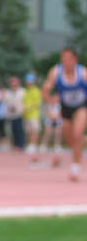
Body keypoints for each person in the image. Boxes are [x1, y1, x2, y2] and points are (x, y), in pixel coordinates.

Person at [42, 47, 87, 181]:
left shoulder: (83, 73)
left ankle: (75, 168)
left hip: (82, 106)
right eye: (63, 58)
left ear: (75, 60)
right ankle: (82, 143)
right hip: (66, 107)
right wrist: (51, 99)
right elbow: (45, 90)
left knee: (77, 134)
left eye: (68, 58)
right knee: (70, 140)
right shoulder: (56, 72)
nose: (65, 61)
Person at [23, 73, 42, 161]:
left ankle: (33, 145)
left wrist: (29, 108)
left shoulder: (36, 91)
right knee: (29, 131)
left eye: (30, 82)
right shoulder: (26, 91)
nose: (29, 83)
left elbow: (37, 103)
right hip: (26, 115)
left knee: (35, 130)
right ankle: (30, 144)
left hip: (34, 114)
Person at [39, 93, 63, 163]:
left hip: (58, 120)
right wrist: (51, 117)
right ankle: (43, 146)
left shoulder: (60, 105)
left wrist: (56, 117)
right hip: (50, 120)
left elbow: (61, 113)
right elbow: (47, 113)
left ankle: (57, 146)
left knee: (58, 133)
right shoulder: (49, 105)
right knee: (47, 133)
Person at [5, 77, 26, 151]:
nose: (13, 84)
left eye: (15, 82)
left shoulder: (23, 91)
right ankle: (15, 145)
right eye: (12, 82)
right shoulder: (8, 92)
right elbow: (7, 101)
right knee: (12, 130)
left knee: (20, 130)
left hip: (19, 114)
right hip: (11, 114)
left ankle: (21, 145)